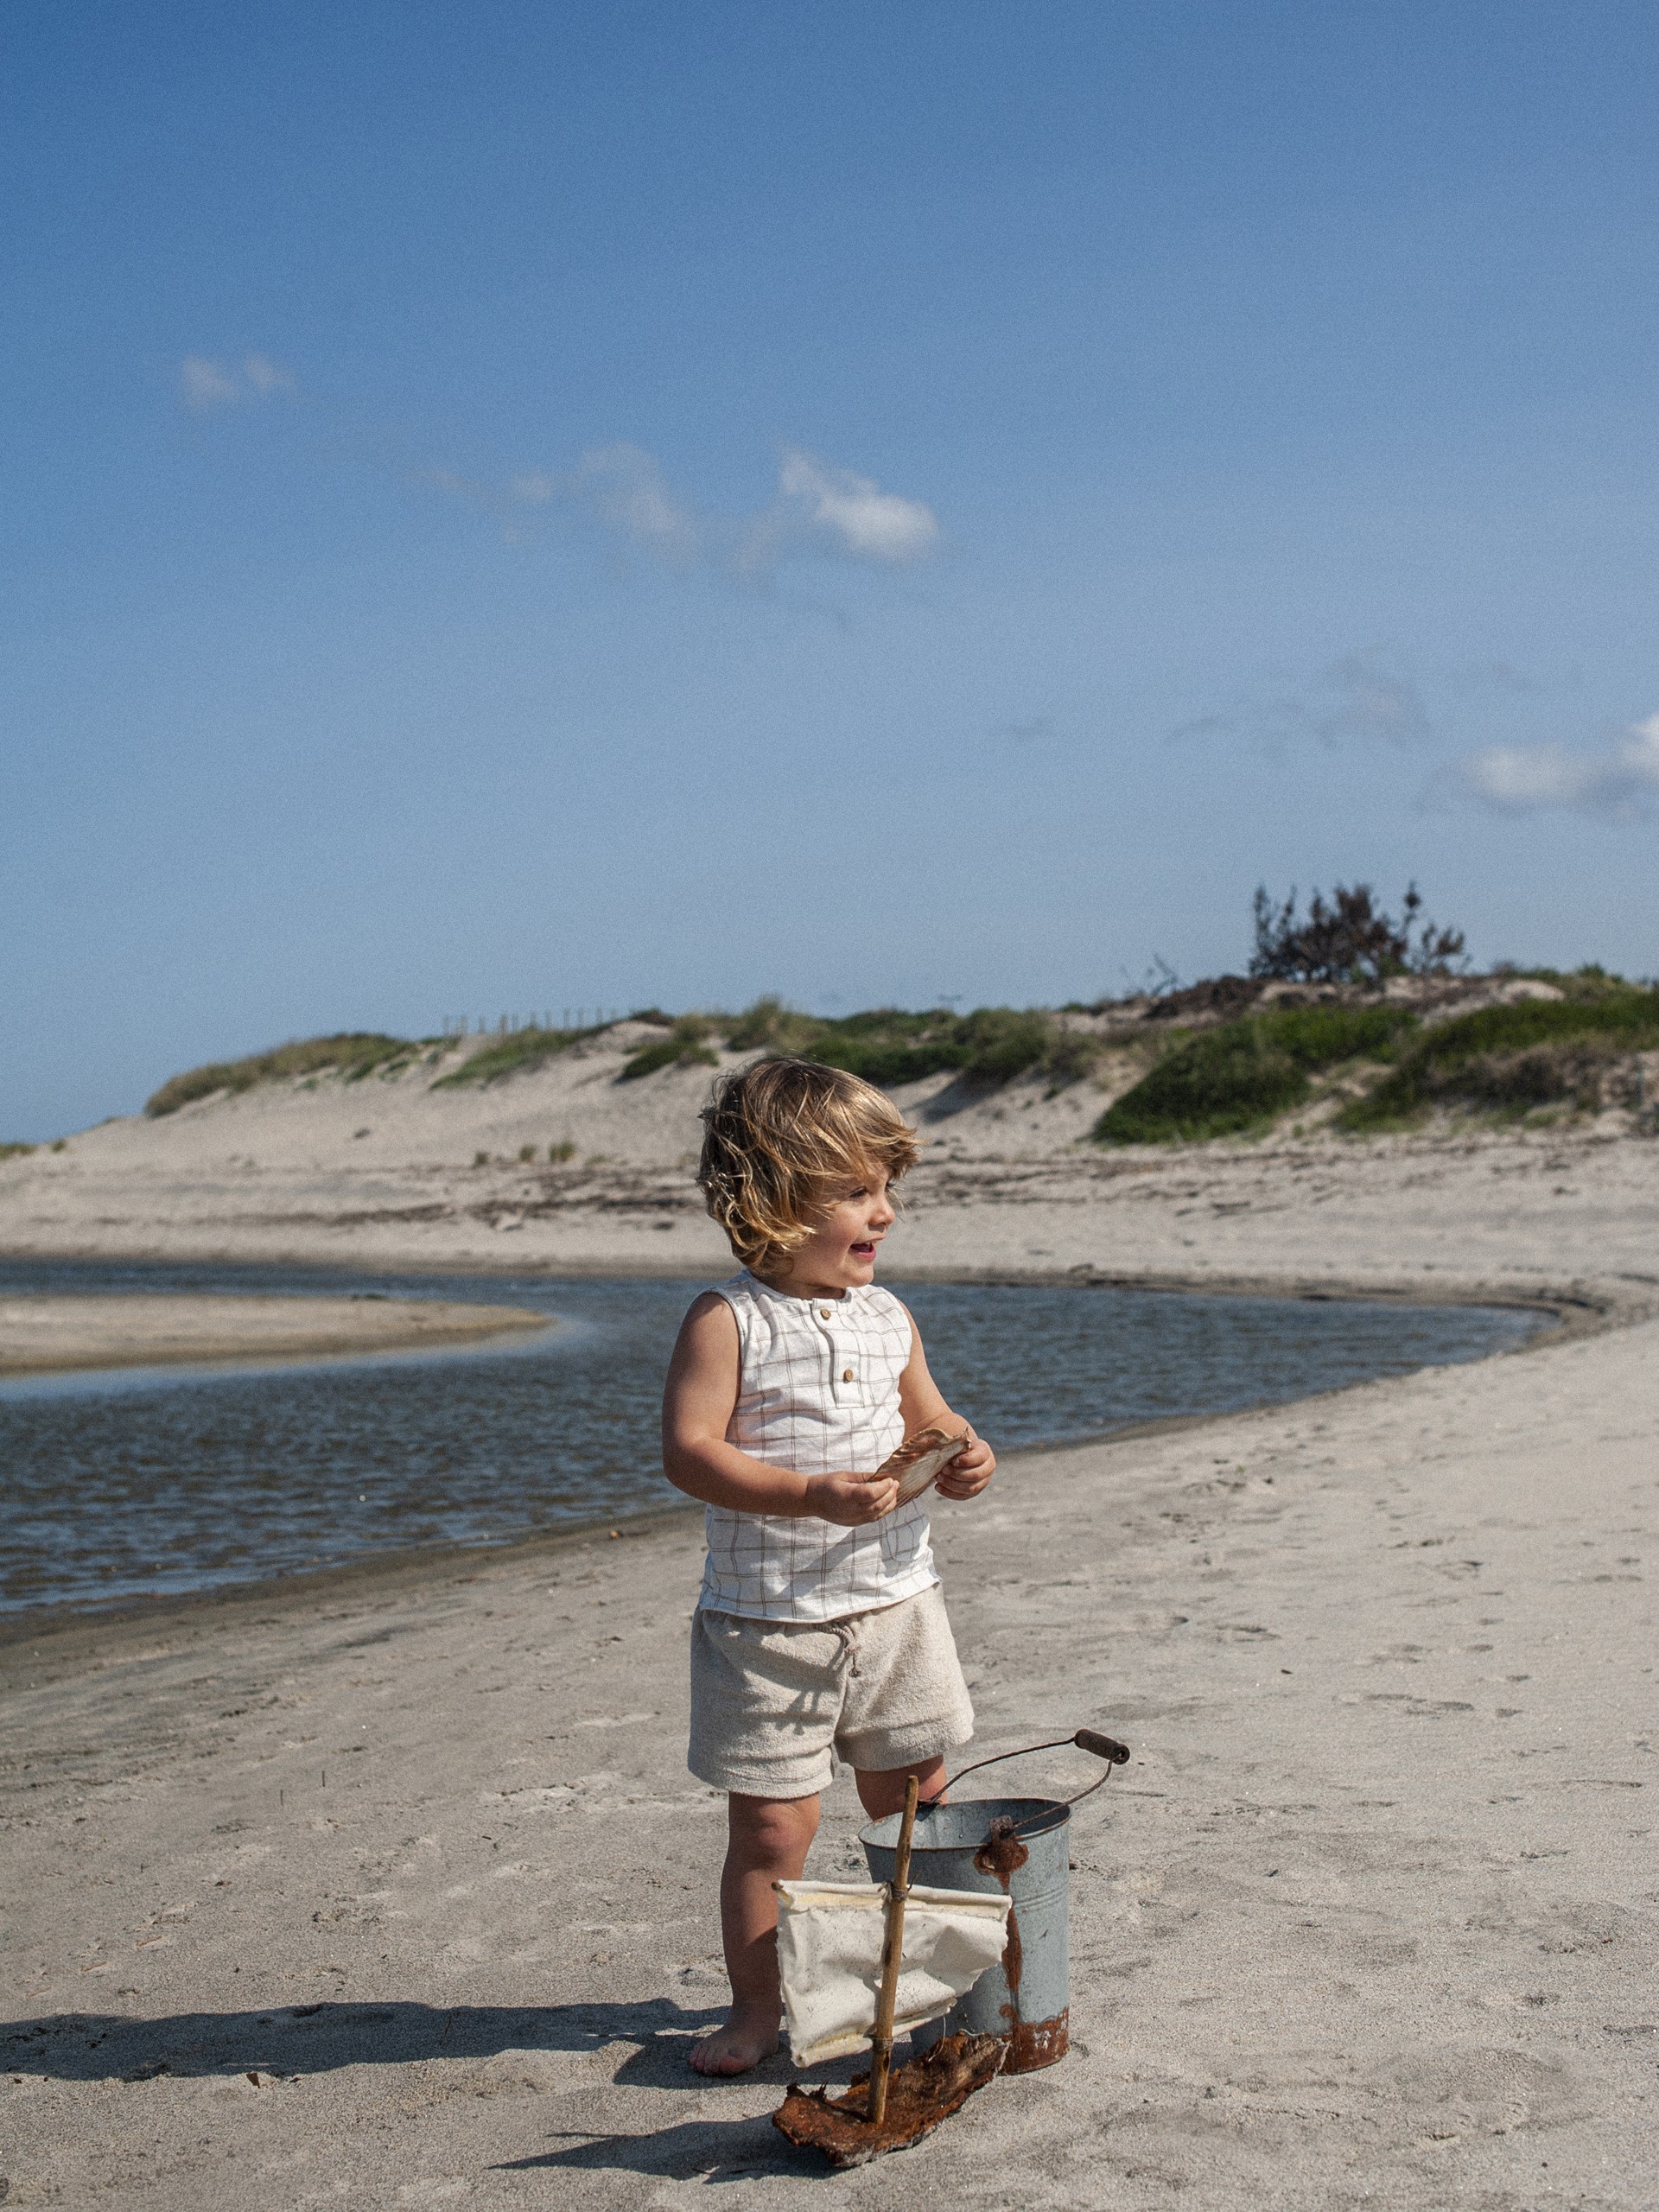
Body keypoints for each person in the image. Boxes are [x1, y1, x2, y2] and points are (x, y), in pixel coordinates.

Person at [661, 1056, 996, 2076]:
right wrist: (809, 1493)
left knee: (920, 1793)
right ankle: (760, 2008)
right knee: (773, 1826)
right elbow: (691, 1452)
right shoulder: (729, 1318)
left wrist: (961, 1449)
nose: (884, 1211)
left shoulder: (889, 1315)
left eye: (888, 1188)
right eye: (855, 1189)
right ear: (768, 1196)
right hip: (771, 1621)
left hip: (897, 1605)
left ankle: (928, 1981)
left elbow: (926, 1414)